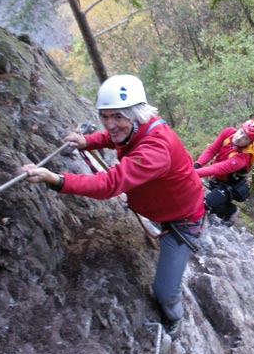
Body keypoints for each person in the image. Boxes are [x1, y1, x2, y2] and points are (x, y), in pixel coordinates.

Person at [21, 74, 204, 340]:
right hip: (167, 208)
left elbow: (109, 184)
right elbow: (116, 137)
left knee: (164, 292)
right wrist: (89, 141)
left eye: (117, 116)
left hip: (183, 221)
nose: (110, 123)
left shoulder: (156, 149)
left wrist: (56, 180)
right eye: (105, 116)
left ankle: (174, 318)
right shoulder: (139, 125)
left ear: (135, 113)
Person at [193, 119, 254, 226]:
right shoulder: (228, 133)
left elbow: (216, 169)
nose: (239, 138)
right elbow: (212, 149)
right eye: (241, 132)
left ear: (250, 143)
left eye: (245, 138)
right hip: (216, 178)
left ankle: (231, 211)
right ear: (239, 128)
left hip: (230, 185)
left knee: (208, 204)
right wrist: (197, 165)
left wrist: (191, 173)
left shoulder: (241, 159)